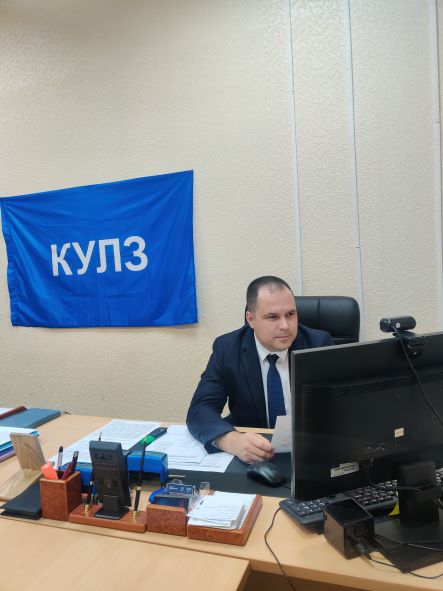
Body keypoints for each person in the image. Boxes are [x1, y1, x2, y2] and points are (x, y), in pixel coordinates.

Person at [186, 276, 333, 463]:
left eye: (290, 314)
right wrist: (232, 441)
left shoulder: (318, 344)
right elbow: (200, 409)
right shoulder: (228, 349)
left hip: (308, 451)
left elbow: (343, 407)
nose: (285, 326)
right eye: (272, 317)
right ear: (251, 319)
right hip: (253, 455)